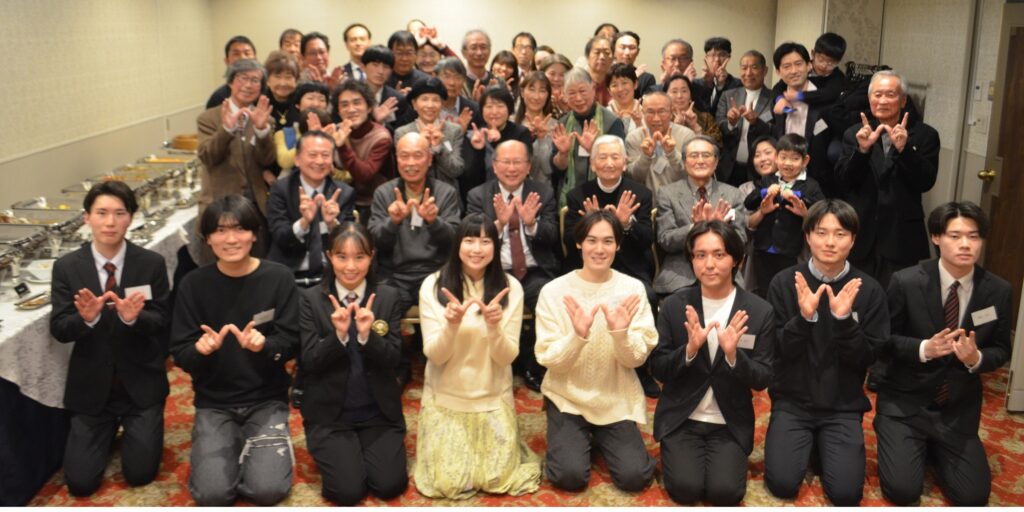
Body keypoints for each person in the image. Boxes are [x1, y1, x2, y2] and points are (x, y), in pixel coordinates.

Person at [873, 202, 1011, 506]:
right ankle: (903, 440)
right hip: (906, 404)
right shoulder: (906, 281)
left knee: (973, 497)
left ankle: (935, 449)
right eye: (955, 236)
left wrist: (976, 359)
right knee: (903, 491)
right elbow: (882, 341)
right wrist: (924, 348)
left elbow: (1002, 349)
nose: (966, 245)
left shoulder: (998, 290)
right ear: (936, 237)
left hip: (957, 409)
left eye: (974, 237)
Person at [170, 195, 300, 506]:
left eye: (240, 229)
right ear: (208, 239)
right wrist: (200, 350)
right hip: (214, 402)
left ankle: (256, 450)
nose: (231, 239)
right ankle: (232, 444)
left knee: (268, 491)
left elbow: (292, 343)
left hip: (266, 398)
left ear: (254, 234)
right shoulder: (193, 284)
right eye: (220, 231)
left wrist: (265, 346)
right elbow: (180, 353)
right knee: (212, 495)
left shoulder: (278, 277)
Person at [763, 199, 889, 506]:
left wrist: (844, 321)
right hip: (793, 402)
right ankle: (808, 444)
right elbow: (778, 352)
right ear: (808, 236)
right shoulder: (785, 282)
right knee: (782, 484)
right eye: (821, 232)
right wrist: (804, 319)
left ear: (853, 240)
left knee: (846, 495)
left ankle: (820, 445)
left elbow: (868, 357)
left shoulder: (869, 289)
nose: (830, 242)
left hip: (842, 405)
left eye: (840, 233)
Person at [50, 182, 170, 497]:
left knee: (140, 474)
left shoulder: (151, 263)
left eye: (119, 213)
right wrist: (87, 319)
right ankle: (104, 432)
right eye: (101, 213)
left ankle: (138, 429)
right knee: (80, 483)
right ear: (86, 218)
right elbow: (60, 328)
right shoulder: (67, 267)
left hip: (140, 385)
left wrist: (133, 318)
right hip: (91, 387)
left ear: (131, 217)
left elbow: (162, 321)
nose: (110, 222)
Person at [415, 214, 542, 498]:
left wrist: (495, 328)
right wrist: (451, 326)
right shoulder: (434, 286)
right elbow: (435, 356)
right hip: (446, 399)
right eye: (469, 240)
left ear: (496, 247)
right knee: (449, 483)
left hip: (492, 397)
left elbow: (506, 358)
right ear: (457, 245)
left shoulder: (510, 288)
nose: (477, 249)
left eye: (485, 241)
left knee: (496, 479)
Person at [650, 220, 774, 505]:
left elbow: (762, 378)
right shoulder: (674, 306)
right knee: (685, 489)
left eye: (719, 255)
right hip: (683, 417)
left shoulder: (759, 311)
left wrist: (733, 356)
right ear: (691, 260)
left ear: (736, 259)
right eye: (700, 255)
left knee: (725, 493)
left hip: (728, 421)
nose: (709, 264)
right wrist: (689, 350)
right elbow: (658, 368)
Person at [535, 210, 657, 492]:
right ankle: (576, 436)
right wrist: (577, 337)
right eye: (591, 240)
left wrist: (620, 334)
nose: (599, 249)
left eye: (608, 241)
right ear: (579, 243)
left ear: (618, 245)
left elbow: (636, 359)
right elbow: (550, 360)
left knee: (635, 477)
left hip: (615, 397)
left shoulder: (633, 289)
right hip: (568, 397)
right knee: (569, 477)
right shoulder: (553, 291)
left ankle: (599, 437)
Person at [295, 222, 408, 505]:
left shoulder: (388, 297)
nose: (350, 266)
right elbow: (310, 362)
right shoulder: (311, 299)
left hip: (378, 413)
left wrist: (368, 336)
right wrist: (339, 336)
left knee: (389, 485)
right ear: (329, 257)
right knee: (348, 492)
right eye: (341, 256)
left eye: (359, 257)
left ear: (371, 257)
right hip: (330, 416)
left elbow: (394, 359)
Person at [467, 140, 561, 392]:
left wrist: (531, 224)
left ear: (528, 166)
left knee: (549, 299)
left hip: (534, 271)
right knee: (486, 304)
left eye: (517, 162)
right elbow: (471, 241)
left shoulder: (543, 192)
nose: (511, 168)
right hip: (494, 272)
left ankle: (532, 366)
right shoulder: (478, 195)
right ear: (494, 166)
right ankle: (491, 366)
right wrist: (497, 225)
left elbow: (553, 236)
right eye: (506, 162)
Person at [835, 70, 940, 288]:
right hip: (861, 232)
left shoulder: (925, 135)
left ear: (903, 101)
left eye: (890, 95)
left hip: (901, 234)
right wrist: (862, 151)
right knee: (857, 296)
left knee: (896, 299)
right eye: (877, 95)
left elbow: (926, 182)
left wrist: (904, 150)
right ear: (869, 99)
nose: (882, 100)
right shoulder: (855, 133)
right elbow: (844, 181)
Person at [193, 58, 276, 265]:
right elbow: (208, 156)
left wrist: (262, 130)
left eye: (255, 80)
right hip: (218, 209)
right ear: (230, 82)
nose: (248, 85)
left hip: (254, 210)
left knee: (256, 269)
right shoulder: (209, 118)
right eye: (242, 78)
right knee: (215, 271)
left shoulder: (265, 118)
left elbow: (267, 159)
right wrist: (227, 130)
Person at [369, 132, 461, 314]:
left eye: (418, 155)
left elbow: (455, 240)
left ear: (429, 159)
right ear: (397, 159)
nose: (411, 163)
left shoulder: (446, 192)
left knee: (449, 307)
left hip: (436, 274)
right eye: (404, 156)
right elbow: (373, 242)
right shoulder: (384, 193)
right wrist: (392, 222)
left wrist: (434, 221)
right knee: (382, 306)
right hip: (394, 275)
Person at [655, 136, 746, 296]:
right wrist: (695, 228)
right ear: (684, 162)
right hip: (681, 275)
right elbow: (665, 239)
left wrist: (720, 229)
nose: (700, 161)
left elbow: (741, 240)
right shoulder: (667, 193)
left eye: (706, 155)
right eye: (694, 155)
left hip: (722, 271)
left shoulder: (733, 194)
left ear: (716, 162)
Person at [266, 131, 356, 285]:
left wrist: (332, 224)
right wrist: (304, 223)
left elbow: (351, 243)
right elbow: (280, 237)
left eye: (325, 155)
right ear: (297, 159)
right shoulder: (281, 190)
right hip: (288, 275)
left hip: (331, 277)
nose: (319, 161)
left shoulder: (344, 193)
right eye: (312, 155)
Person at [744, 133, 826, 297]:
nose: (788, 163)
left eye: (794, 159)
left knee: (788, 291)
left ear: (805, 161)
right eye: (783, 157)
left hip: (790, 250)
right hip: (763, 247)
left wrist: (799, 199)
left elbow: (821, 211)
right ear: (776, 158)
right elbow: (748, 203)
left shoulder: (811, 185)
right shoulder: (768, 180)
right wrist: (765, 192)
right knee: (765, 290)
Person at [552, 67, 626, 208]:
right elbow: (558, 170)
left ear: (593, 89)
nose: (578, 98)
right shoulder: (562, 123)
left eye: (582, 91)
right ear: (565, 95)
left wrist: (593, 149)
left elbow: (620, 163)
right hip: (570, 197)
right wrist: (563, 153)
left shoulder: (612, 122)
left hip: (605, 196)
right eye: (572, 93)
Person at [770, 42, 837, 195]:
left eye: (798, 64)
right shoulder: (777, 100)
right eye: (787, 66)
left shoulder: (826, 100)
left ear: (809, 65)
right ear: (778, 72)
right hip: (784, 180)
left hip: (820, 182)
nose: (793, 71)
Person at [332, 79, 396, 222]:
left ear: (369, 108)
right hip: (340, 201)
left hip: (374, 204)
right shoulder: (335, 131)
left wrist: (343, 146)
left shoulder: (381, 137)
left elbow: (364, 175)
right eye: (344, 105)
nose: (351, 109)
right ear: (338, 111)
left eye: (357, 103)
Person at [394, 77, 466, 190]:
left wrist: (440, 147)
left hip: (448, 194)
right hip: (415, 193)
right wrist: (420, 144)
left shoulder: (454, 130)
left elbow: (456, 171)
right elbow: (405, 170)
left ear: (442, 104)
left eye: (435, 100)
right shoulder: (403, 133)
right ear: (414, 104)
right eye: (424, 99)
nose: (430, 105)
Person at [716, 50, 774, 187]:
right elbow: (718, 127)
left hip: (759, 170)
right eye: (744, 68)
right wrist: (731, 123)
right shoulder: (727, 95)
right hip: (728, 168)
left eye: (754, 67)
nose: (748, 73)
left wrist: (756, 122)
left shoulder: (774, 98)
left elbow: (776, 131)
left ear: (765, 71)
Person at [464, 86, 532, 198]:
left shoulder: (521, 133)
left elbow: (524, 169)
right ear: (482, 110)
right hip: (483, 194)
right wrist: (479, 150)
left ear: (509, 109)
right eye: (489, 107)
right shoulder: (475, 135)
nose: (494, 112)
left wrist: (499, 142)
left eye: (500, 106)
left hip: (515, 193)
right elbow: (472, 177)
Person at [625, 91, 696, 195]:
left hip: (680, 198)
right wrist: (645, 156)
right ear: (642, 112)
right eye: (650, 112)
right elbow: (633, 177)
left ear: (671, 112)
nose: (656, 118)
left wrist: (672, 153)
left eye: (662, 112)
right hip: (647, 198)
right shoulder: (634, 138)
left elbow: (691, 174)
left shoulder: (686, 136)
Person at [738, 136, 779, 296]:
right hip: (756, 256)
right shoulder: (746, 189)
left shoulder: (796, 185)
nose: (763, 159)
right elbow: (744, 224)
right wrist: (762, 212)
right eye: (757, 155)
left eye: (768, 152)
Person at [514, 71, 558, 185]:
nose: (536, 96)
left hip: (543, 189)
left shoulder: (555, 126)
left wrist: (542, 139)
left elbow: (548, 169)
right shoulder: (511, 122)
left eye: (542, 91)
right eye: (532, 89)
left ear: (548, 95)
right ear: (522, 92)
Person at [361, 45, 413, 131]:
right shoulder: (352, 95)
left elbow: (401, 133)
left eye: (386, 67)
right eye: (375, 65)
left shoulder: (397, 100)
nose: (380, 71)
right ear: (363, 67)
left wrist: (382, 123)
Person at [664, 74, 722, 145]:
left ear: (690, 95)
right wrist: (676, 128)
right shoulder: (661, 119)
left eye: (684, 91)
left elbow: (718, 145)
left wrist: (696, 128)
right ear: (665, 96)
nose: (679, 96)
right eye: (674, 91)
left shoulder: (706, 118)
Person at [206, 36, 257, 109]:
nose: (242, 57)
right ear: (227, 61)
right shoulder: (218, 98)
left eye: (247, 53)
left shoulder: (266, 92)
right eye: (236, 54)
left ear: (255, 59)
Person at [434, 57, 483, 131]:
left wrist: (462, 132)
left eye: (457, 77)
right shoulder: (426, 107)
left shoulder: (474, 110)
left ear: (464, 81)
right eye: (446, 77)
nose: (452, 83)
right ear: (435, 77)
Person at [695, 37, 742, 115]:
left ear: (728, 57)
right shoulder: (696, 84)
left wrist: (721, 86)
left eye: (722, 55)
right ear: (706, 58)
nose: (717, 59)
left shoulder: (738, 85)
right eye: (712, 55)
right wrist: (707, 85)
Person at [612, 31, 656, 99]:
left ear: (638, 52)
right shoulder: (605, 75)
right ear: (614, 51)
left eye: (632, 48)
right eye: (622, 47)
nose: (627, 52)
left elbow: (646, 104)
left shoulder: (646, 78)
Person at [264, 51, 300, 132]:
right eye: (277, 77)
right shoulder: (259, 103)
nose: (283, 83)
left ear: (296, 80)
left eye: (288, 77)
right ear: (267, 80)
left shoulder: (301, 102)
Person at [606, 63, 642, 134]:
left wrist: (639, 124)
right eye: (614, 85)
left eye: (624, 83)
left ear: (635, 84)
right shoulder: (604, 115)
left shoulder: (646, 112)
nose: (620, 89)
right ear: (609, 90)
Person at [461, 29, 494, 101]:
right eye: (473, 48)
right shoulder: (458, 82)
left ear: (490, 51)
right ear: (464, 52)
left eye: (483, 47)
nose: (479, 53)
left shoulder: (495, 81)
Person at [584, 36, 614, 106]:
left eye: (607, 53)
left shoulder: (616, 83)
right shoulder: (578, 82)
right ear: (587, 57)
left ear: (613, 58)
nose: (602, 57)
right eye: (597, 52)